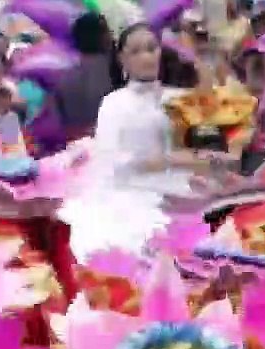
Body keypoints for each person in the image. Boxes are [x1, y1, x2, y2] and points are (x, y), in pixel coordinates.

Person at [59, 22, 226, 260]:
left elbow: (212, 152)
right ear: (122, 59)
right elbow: (113, 164)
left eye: (151, 48)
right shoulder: (113, 103)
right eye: (136, 51)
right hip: (128, 197)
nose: (147, 57)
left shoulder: (182, 99)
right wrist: (168, 161)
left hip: (182, 194)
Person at [53, 11, 116, 140]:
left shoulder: (63, 77)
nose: (112, 36)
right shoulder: (116, 70)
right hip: (109, 143)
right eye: (109, 31)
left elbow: (57, 120)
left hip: (76, 148)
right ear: (102, 37)